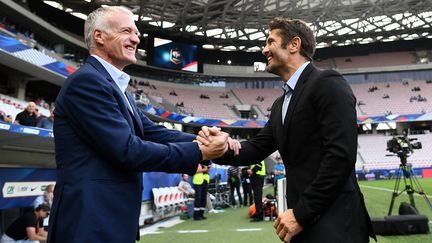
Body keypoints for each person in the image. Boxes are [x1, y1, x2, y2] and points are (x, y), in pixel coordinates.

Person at [48, 6, 228, 243]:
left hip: (109, 221)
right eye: (126, 31)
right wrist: (199, 150)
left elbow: (154, 133)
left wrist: (211, 140)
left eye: (136, 32)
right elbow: (128, 150)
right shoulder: (87, 82)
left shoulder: (116, 87)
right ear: (99, 37)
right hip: (89, 224)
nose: (136, 38)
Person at [200, 17, 375, 242]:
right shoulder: (280, 104)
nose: (264, 49)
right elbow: (255, 148)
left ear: (294, 44)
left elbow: (341, 156)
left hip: (335, 224)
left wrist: (301, 214)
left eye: (270, 41)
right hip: (303, 225)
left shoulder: (327, 82)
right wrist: (218, 148)